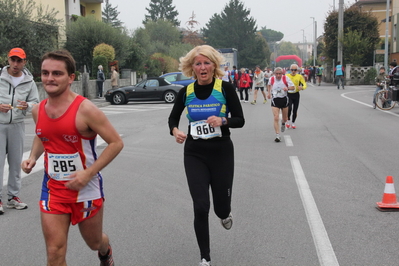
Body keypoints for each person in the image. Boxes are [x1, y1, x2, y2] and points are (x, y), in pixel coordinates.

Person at [21, 50, 123, 266]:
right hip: (53, 189)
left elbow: (116, 143)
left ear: (71, 78)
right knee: (55, 252)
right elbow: (43, 135)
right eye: (45, 73)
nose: (49, 78)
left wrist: (88, 173)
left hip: (86, 188)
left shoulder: (86, 110)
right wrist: (32, 157)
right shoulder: (38, 110)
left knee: (94, 242)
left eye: (57, 73)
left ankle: (105, 252)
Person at [168, 45, 244, 266]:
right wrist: (176, 131)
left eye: (206, 63)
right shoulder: (186, 92)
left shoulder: (225, 88)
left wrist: (223, 120)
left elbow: (240, 119)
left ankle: (225, 212)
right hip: (195, 153)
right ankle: (205, 257)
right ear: (192, 68)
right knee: (200, 206)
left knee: (220, 208)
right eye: (198, 63)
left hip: (221, 152)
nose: (202, 67)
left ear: (214, 66)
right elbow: (173, 119)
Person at [0, 47, 39, 215]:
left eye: (19, 61)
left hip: (17, 125)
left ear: (24, 62)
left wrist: (27, 105)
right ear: (8, 60)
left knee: (16, 163)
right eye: (12, 60)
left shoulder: (29, 81)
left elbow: (36, 103)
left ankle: (13, 197)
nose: (15, 64)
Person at [267, 67, 295, 142]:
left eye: (280, 74)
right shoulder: (272, 79)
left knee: (285, 118)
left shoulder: (286, 78)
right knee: (276, 117)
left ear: (282, 73)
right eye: (277, 74)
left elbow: (293, 87)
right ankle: (277, 135)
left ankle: (283, 123)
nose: (278, 75)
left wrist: (288, 88)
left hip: (284, 100)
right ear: (274, 74)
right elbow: (269, 85)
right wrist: (269, 93)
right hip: (275, 99)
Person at [285, 64, 307, 129]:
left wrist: (302, 87)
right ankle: (288, 121)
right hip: (289, 94)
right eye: (292, 70)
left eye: (295, 70)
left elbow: (305, 84)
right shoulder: (286, 76)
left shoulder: (299, 76)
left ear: (297, 70)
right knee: (289, 108)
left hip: (296, 94)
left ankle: (293, 122)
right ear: (290, 70)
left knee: (295, 110)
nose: (293, 71)